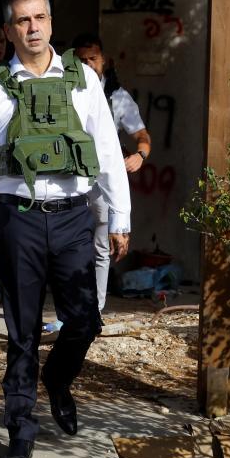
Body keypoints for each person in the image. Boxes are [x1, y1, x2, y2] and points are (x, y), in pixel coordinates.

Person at [0, 0, 131, 458]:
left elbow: (107, 155)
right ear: (8, 30)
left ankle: (58, 380)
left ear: (51, 23)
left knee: (85, 320)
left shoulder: (84, 80)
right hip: (18, 220)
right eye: (22, 21)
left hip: (76, 217)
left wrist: (120, 216)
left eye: (39, 18)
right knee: (21, 332)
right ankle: (20, 429)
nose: (32, 28)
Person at [73, 33, 152, 311]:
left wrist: (139, 156)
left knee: (100, 249)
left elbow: (142, 136)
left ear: (104, 61)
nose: (88, 64)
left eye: (92, 59)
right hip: (71, 181)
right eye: (82, 60)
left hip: (102, 181)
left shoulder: (117, 97)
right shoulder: (67, 91)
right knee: (70, 248)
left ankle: (95, 311)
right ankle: (73, 310)